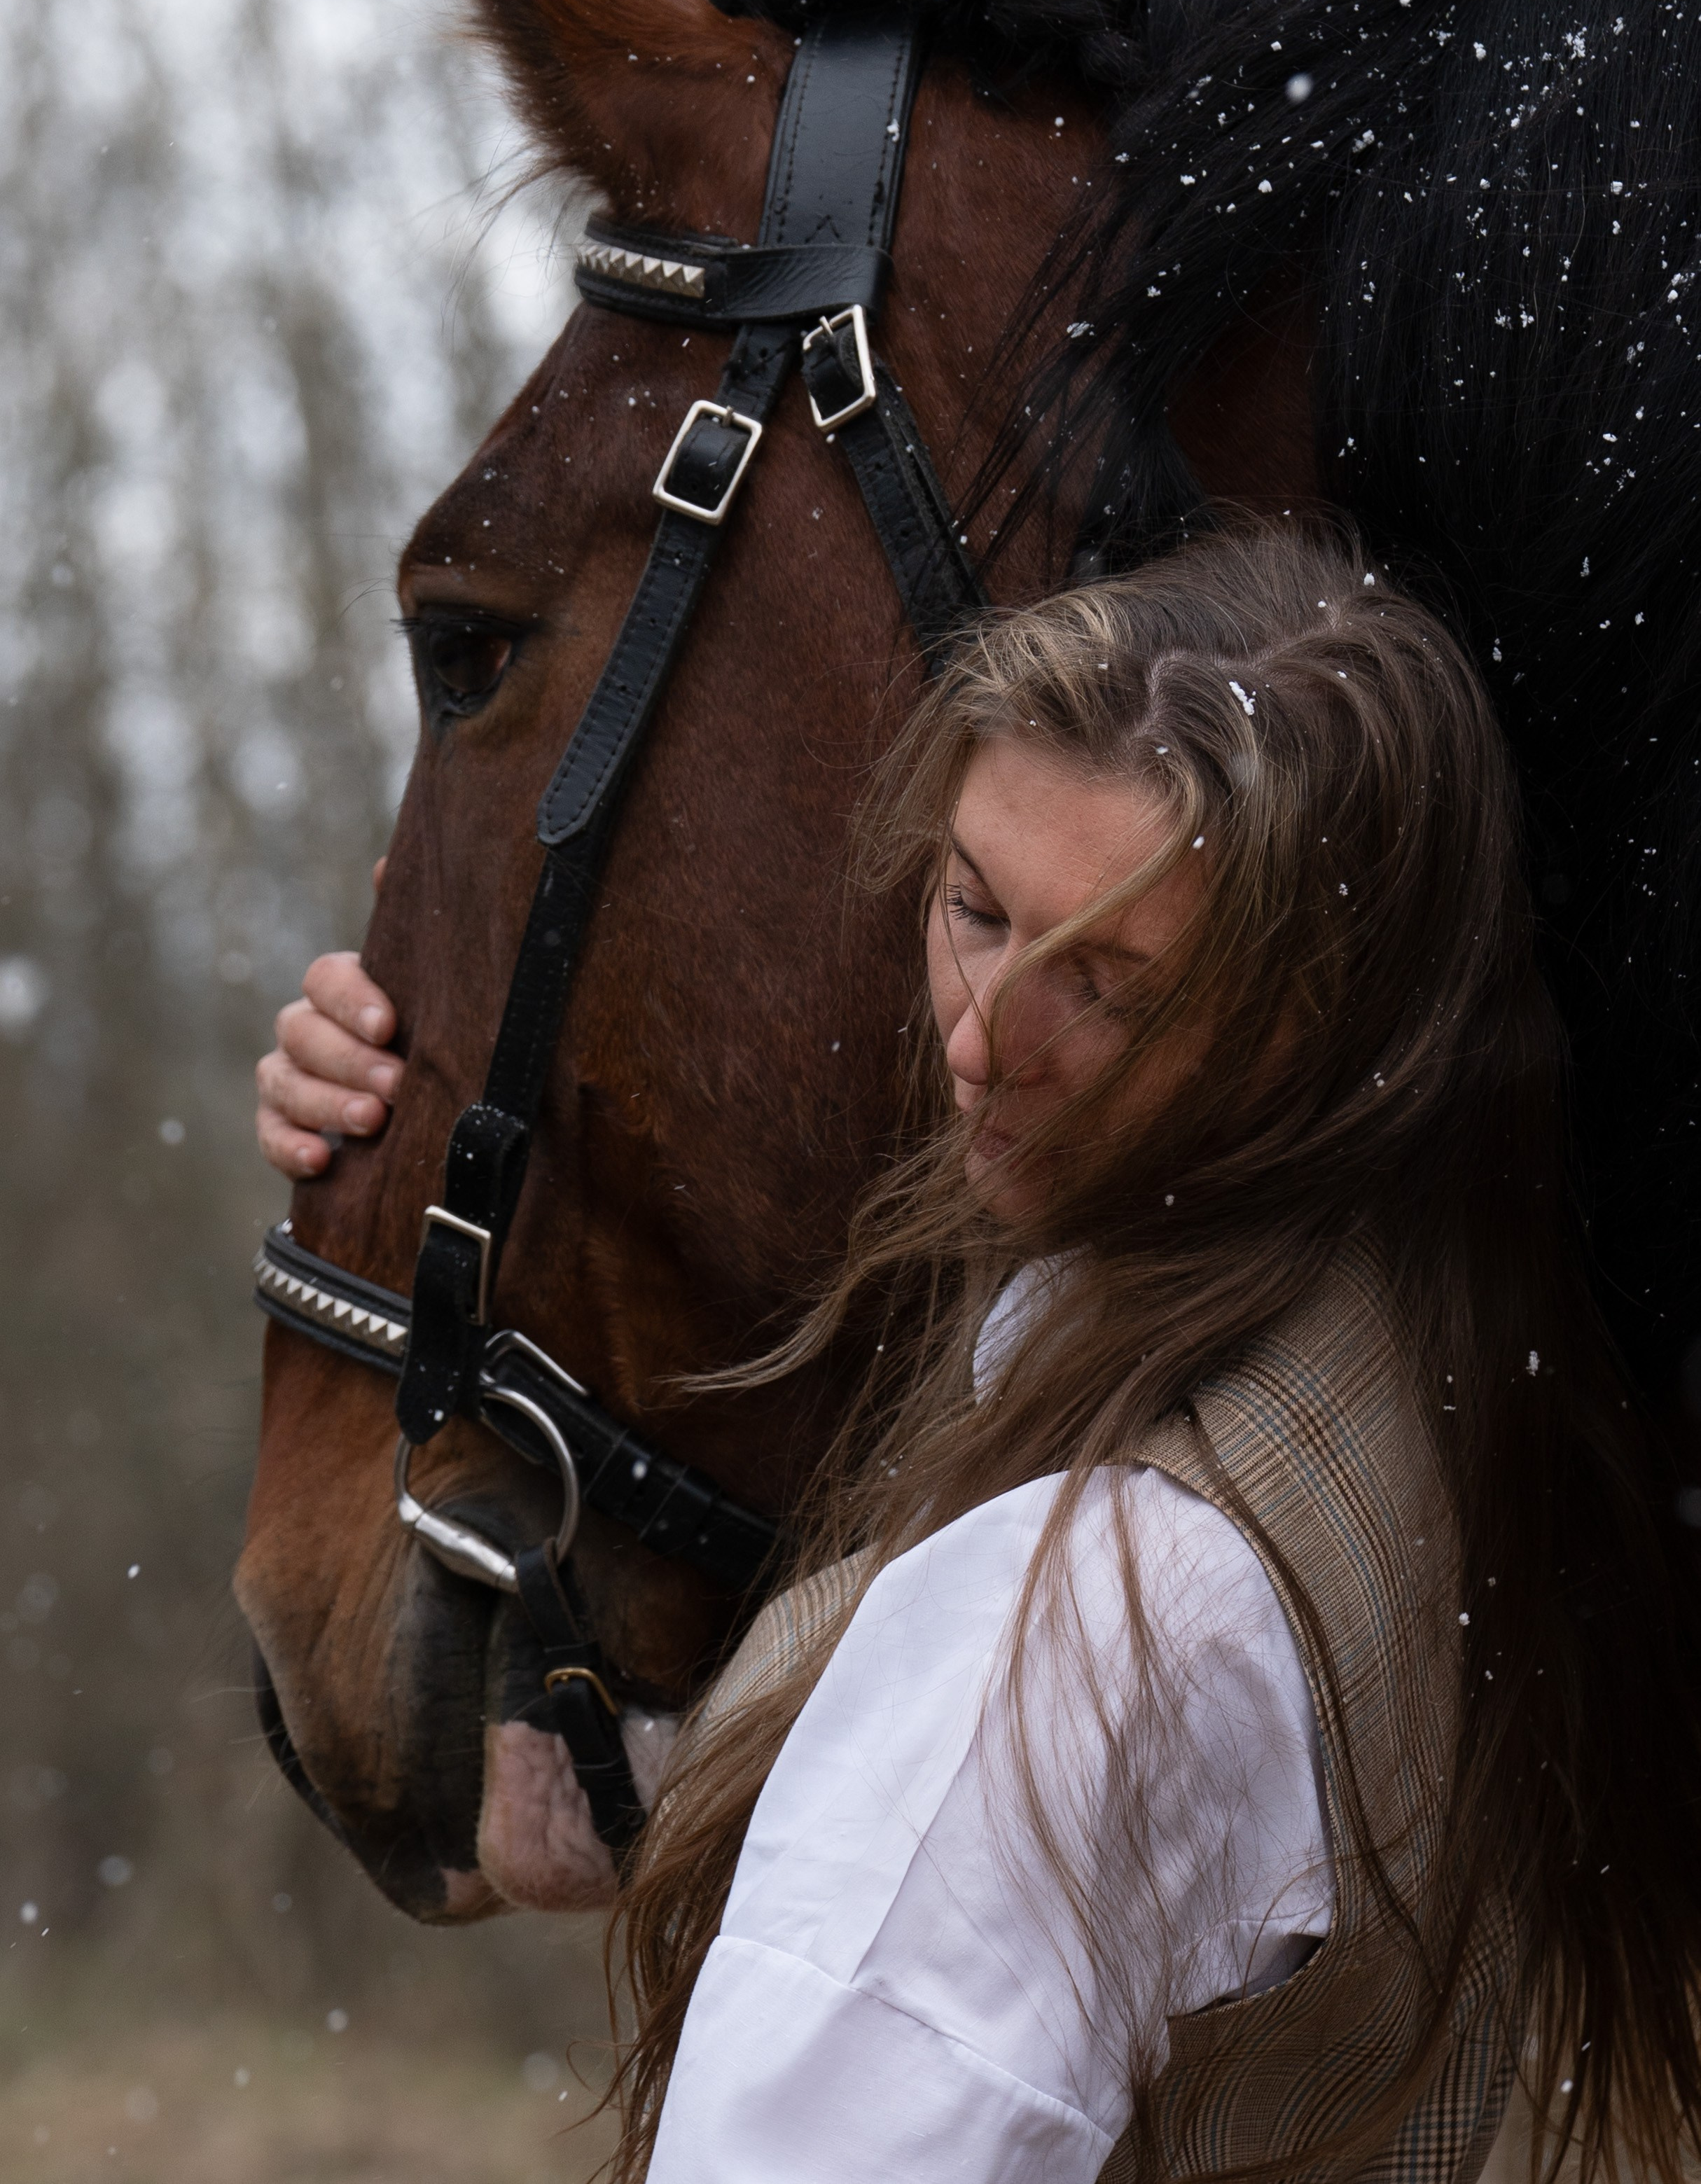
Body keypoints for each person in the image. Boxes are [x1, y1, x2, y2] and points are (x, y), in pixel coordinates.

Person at [256, 528, 1701, 2184]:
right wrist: (398, 1136)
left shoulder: (1093, 1620)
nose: (977, 1031)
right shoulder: (1423, 1302)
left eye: (1107, 978)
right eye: (972, 902)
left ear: (1327, 1018)